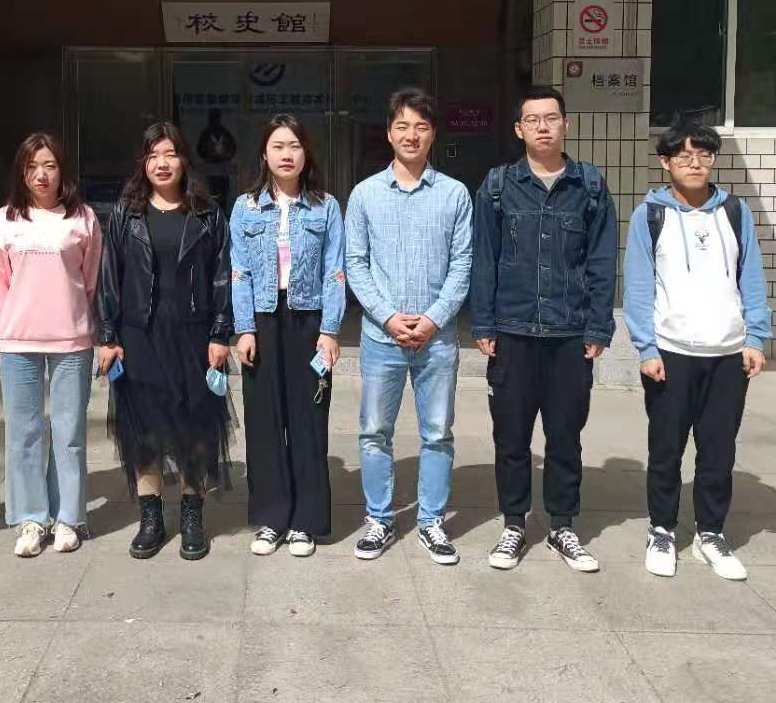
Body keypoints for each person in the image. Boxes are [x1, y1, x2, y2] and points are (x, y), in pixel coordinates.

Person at [471, 86, 617, 573]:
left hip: (569, 333)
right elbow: (484, 258)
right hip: (512, 331)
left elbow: (602, 261)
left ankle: (562, 526)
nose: (543, 127)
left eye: (551, 118)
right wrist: (483, 321)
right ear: (519, 130)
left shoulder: (589, 186)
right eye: (532, 120)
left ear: (565, 125)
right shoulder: (497, 186)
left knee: (565, 437)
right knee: (511, 438)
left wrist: (599, 326)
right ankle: (514, 523)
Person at [625, 121, 770, 581]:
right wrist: (646, 347)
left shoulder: (734, 211)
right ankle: (662, 530)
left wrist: (755, 337)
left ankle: (711, 533)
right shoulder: (651, 215)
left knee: (718, 451)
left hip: (727, 353)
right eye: (684, 155)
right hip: (671, 352)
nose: (695, 163)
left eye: (704, 154)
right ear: (665, 162)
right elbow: (639, 285)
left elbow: (751, 276)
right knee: (666, 450)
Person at [345, 88, 472, 566]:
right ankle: (380, 519)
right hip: (382, 338)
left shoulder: (455, 194)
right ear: (388, 133)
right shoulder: (365, 194)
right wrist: (388, 316)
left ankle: (431, 521)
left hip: (437, 340)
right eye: (402, 126)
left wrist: (434, 318)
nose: (411, 135)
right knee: (375, 432)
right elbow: (356, 263)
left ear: (433, 134)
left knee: (437, 433)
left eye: (421, 126)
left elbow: (463, 264)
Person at [97, 122, 234, 561]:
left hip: (194, 335)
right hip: (141, 335)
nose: (162, 163)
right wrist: (108, 336)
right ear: (143, 162)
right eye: (153, 155)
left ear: (184, 160)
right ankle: (151, 517)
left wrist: (220, 333)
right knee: (146, 431)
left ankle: (192, 513)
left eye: (170, 154)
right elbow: (109, 277)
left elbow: (222, 276)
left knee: (196, 427)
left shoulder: (207, 213)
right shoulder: (127, 214)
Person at [231, 114, 346, 558]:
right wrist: (244, 328)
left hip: (307, 320)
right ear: (264, 154)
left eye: (294, 146)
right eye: (278, 146)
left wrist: (330, 330)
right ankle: (271, 518)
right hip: (263, 319)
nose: (286, 154)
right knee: (264, 421)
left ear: (305, 154)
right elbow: (239, 272)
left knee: (308, 419)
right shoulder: (245, 207)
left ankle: (304, 522)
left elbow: (334, 271)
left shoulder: (325, 206)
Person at [0, 131, 103, 558]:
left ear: (62, 171)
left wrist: (79, 318)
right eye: (32, 166)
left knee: (69, 431)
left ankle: (69, 517)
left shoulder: (83, 219)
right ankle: (31, 518)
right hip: (19, 340)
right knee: (24, 431)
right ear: (21, 172)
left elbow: (90, 279)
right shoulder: (6, 220)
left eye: (49, 165)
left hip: (71, 338)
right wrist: (9, 326)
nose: (41, 174)